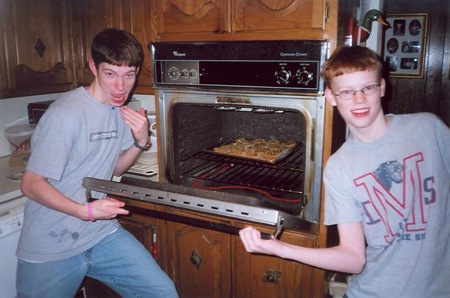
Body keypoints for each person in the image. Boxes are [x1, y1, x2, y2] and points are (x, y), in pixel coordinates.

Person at [239, 45, 450, 297]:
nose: (359, 99)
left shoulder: (428, 129)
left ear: (382, 87)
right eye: (347, 92)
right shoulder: (339, 167)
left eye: (367, 88)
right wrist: (279, 249)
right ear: (331, 97)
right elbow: (353, 258)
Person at [17, 28, 178, 297]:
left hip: (99, 234)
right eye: (110, 74)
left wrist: (140, 141)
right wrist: (84, 211)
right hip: (53, 241)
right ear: (93, 67)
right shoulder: (67, 113)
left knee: (161, 292)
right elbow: (31, 184)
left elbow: (114, 168)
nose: (120, 86)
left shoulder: (118, 110)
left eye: (129, 75)